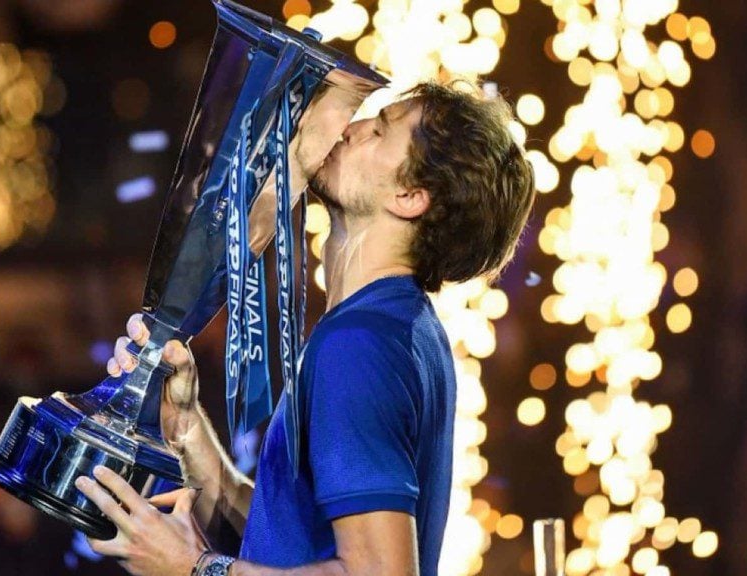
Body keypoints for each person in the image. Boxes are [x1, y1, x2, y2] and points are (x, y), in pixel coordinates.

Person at [74, 81, 537, 576]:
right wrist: (187, 432)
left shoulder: (360, 346)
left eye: (379, 131)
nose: (353, 128)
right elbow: (290, 541)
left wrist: (194, 568)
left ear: (409, 197)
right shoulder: (397, 326)